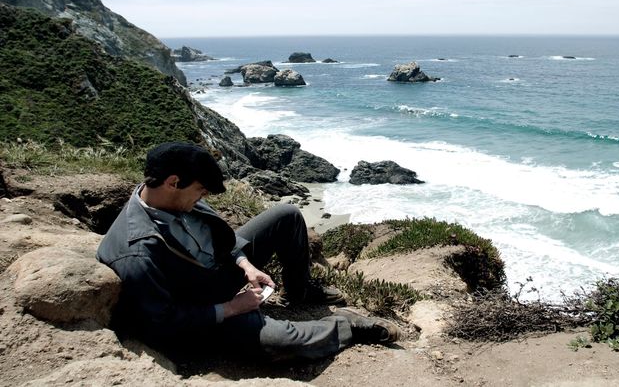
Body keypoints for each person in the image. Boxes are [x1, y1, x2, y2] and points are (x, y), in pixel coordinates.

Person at [97, 142, 400, 360]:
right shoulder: (137, 252)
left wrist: (245, 264)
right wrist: (230, 308)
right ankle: (344, 326)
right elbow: (163, 322)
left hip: (217, 272)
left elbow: (221, 239)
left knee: (287, 215)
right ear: (173, 182)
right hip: (200, 306)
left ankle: (301, 291)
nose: (202, 197)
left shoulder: (172, 196)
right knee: (279, 341)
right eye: (200, 191)